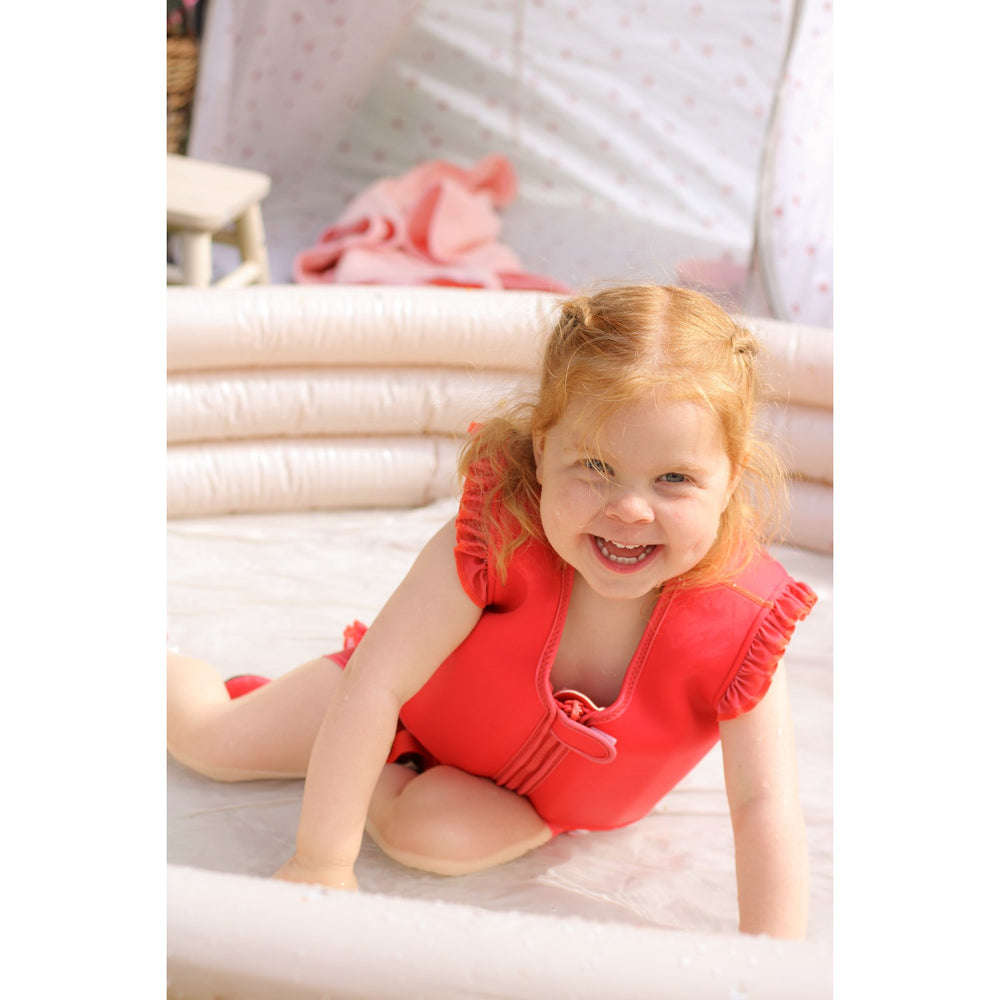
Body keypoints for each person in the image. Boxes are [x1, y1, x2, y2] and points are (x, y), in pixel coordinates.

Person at [167, 284, 818, 939]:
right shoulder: (499, 532)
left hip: (521, 802)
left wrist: (771, 963)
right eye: (595, 465)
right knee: (212, 742)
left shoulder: (743, 622)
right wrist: (321, 863)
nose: (629, 509)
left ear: (731, 478)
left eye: (674, 479)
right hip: (399, 707)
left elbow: (763, 805)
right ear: (542, 450)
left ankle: (382, 779)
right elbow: (376, 682)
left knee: (432, 838)